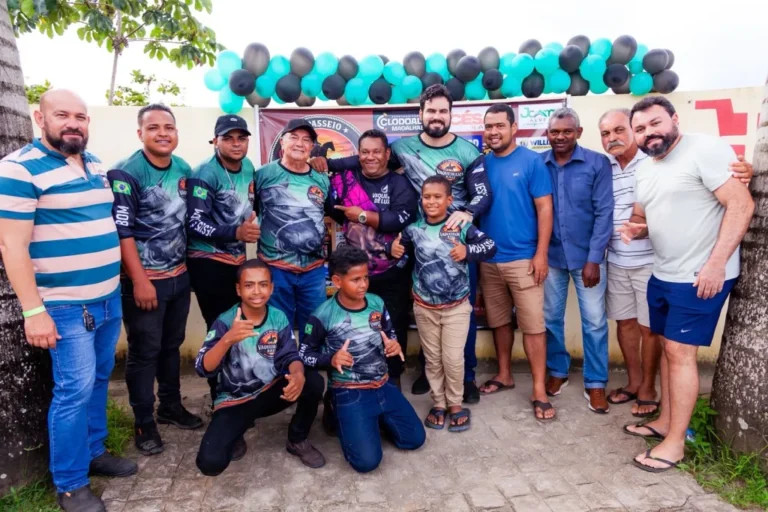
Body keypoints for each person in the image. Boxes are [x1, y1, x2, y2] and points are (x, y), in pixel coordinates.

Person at [0, 89, 136, 512]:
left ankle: (94, 451)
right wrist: (34, 311)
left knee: (98, 380)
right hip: (63, 306)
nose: (74, 123)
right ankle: (71, 483)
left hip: (106, 298)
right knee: (73, 391)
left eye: (81, 115)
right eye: (63, 115)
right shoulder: (18, 169)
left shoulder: (93, 163)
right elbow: (11, 245)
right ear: (41, 119)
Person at [313, 84, 492, 403]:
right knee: (426, 312)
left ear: (451, 114)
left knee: (458, 314)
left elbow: (483, 194)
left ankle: (466, 378)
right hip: (420, 243)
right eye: (431, 111)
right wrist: (326, 164)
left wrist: (468, 212)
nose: (437, 117)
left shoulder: (468, 151)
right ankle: (428, 370)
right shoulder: (402, 147)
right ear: (420, 114)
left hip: (457, 246)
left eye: (443, 111)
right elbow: (367, 160)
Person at [618, 96, 754, 473]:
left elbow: (741, 205)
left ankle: (675, 444)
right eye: (641, 129)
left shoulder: (705, 149)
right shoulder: (646, 168)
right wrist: (637, 229)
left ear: (675, 119)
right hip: (662, 273)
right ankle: (664, 422)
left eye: (655, 124)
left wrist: (715, 264)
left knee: (680, 353)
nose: (648, 133)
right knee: (666, 347)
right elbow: (651, 215)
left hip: (700, 277)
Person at [108, 104, 202, 457]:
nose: (163, 133)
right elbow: (122, 230)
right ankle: (143, 420)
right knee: (144, 352)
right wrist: (139, 280)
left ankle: (170, 406)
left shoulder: (182, 169)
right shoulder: (126, 172)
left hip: (179, 276)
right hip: (146, 282)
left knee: (171, 345)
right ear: (140, 133)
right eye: (154, 128)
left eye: (169, 127)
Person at [299, 245, 425, 472]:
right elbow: (304, 354)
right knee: (367, 462)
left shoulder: (376, 302)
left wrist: (393, 344)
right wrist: (331, 358)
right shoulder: (323, 314)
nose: (363, 285)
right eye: (355, 280)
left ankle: (371, 419)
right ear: (337, 281)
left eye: (365, 278)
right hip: (349, 390)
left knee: (414, 439)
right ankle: (336, 410)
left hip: (382, 384)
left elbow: (390, 332)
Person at [195, 259, 325, 476]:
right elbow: (202, 367)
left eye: (263, 284)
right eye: (249, 285)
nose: (257, 291)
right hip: (235, 400)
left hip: (269, 392)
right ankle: (237, 431)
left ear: (272, 288)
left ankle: (297, 438)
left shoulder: (278, 317)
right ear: (238, 289)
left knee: (313, 382)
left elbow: (290, 355)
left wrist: (298, 373)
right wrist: (227, 339)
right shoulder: (226, 321)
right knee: (210, 463)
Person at [391, 176, 496, 431]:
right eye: (427, 197)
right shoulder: (413, 230)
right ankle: (438, 403)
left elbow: (490, 246)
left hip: (457, 308)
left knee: (452, 359)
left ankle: (456, 404)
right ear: (421, 199)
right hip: (425, 308)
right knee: (433, 360)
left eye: (438, 197)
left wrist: (467, 252)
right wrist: (394, 250)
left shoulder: (459, 226)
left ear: (449, 200)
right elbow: (402, 258)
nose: (431, 202)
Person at [475, 104, 556, 421]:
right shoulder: (481, 165)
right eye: (488, 126)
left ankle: (539, 389)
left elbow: (545, 209)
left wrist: (541, 254)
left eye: (499, 125)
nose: (493, 131)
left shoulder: (532, 162)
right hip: (489, 259)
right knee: (498, 322)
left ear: (514, 128)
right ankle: (505, 374)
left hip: (525, 259)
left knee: (534, 327)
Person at [327, 128, 418, 388]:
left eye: (376, 151)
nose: (370, 157)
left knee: (394, 326)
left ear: (387, 154)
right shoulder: (346, 179)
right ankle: (356, 379)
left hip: (392, 273)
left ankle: (393, 380)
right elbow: (334, 211)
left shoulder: (400, 184)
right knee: (354, 327)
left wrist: (363, 216)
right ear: (358, 155)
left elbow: (401, 218)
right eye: (365, 152)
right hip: (356, 275)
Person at [542, 107, 614, 414]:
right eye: (555, 132)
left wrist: (594, 259)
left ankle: (595, 382)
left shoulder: (597, 163)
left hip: (588, 258)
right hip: (552, 257)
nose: (560, 137)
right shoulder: (538, 165)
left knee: (595, 321)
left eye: (567, 131)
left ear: (579, 133)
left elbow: (604, 212)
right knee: (551, 319)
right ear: (547, 134)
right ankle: (558, 371)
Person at [186, 114, 258, 410]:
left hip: (236, 261)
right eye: (228, 138)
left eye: (241, 137)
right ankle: (220, 395)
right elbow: (194, 222)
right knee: (219, 328)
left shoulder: (249, 167)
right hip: (208, 263)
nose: (236, 143)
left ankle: (240, 385)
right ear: (215, 141)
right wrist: (236, 231)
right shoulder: (204, 172)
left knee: (239, 325)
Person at [253, 118, 332, 345]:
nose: (300, 143)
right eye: (294, 137)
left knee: (313, 327)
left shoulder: (321, 179)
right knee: (279, 327)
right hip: (276, 269)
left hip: (313, 271)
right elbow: (252, 210)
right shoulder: (263, 175)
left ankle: (310, 374)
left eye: (306, 140)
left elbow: (329, 213)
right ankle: (283, 373)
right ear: (282, 143)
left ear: (311, 147)